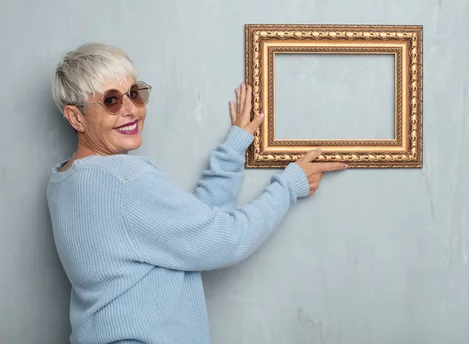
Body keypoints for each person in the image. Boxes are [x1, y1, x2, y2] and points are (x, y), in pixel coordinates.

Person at [46, 42, 348, 344]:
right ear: (76, 117)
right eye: (111, 101)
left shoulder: (63, 182)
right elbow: (227, 238)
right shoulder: (125, 180)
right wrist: (289, 186)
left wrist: (232, 150)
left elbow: (189, 232)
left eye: (134, 94)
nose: (131, 110)